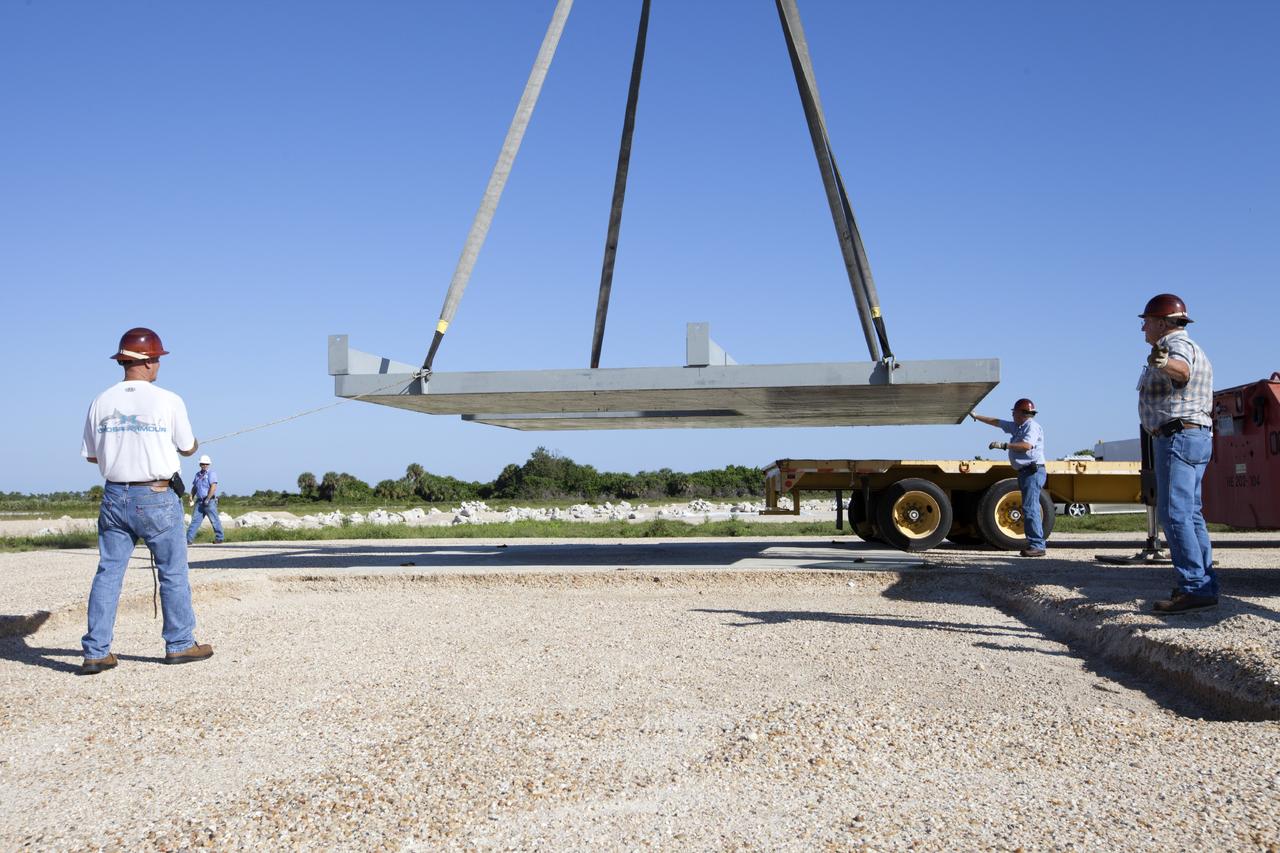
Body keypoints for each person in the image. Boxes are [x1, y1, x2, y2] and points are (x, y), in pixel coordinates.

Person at [79, 327, 214, 675]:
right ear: (150, 361)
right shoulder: (168, 400)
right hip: (156, 495)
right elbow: (187, 446)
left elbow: (93, 457)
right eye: (157, 359)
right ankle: (180, 644)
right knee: (172, 571)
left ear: (123, 361)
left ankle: (96, 651)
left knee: (109, 573)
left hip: (113, 495)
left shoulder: (100, 401)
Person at [1138, 293, 1216, 613]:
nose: (1143, 329)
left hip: (1178, 437)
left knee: (1174, 515)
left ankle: (1195, 587)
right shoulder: (1191, 346)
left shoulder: (1175, 344)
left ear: (1162, 322)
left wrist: (1163, 362)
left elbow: (1181, 371)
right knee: (1191, 514)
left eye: (1146, 322)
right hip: (1193, 436)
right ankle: (1204, 584)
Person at [971, 399, 1047, 557]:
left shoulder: (1031, 426)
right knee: (1029, 507)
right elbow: (997, 422)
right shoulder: (1019, 426)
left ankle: (1037, 546)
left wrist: (1004, 445)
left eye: (1014, 412)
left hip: (1032, 471)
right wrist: (977, 416)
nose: (1012, 414)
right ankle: (1036, 544)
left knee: (1030, 508)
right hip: (1025, 472)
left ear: (1022, 413)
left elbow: (1027, 445)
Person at [187, 454, 225, 544]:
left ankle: (219, 537)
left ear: (209, 464)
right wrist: (191, 496)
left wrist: (208, 498)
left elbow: (213, 486)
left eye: (206, 464)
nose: (204, 465)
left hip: (209, 501)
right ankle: (188, 539)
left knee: (214, 520)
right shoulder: (197, 475)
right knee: (195, 521)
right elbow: (195, 487)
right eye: (203, 464)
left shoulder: (212, 474)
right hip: (199, 501)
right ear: (200, 464)